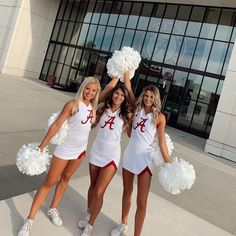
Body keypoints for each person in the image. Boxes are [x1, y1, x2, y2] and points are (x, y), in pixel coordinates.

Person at [17, 75, 120, 236]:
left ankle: (53, 208)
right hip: (64, 150)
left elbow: (107, 89)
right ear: (82, 88)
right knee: (49, 182)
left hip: (79, 151)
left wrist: (118, 76)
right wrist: (42, 146)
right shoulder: (73, 104)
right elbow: (57, 124)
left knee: (66, 178)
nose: (90, 92)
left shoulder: (93, 107)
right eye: (87, 88)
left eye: (93, 90)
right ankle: (29, 220)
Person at [110, 72, 171, 236]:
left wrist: (169, 163)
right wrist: (126, 73)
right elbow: (128, 89)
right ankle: (123, 223)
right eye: (146, 96)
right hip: (130, 155)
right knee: (126, 192)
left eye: (151, 97)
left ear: (156, 99)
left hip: (145, 160)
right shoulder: (135, 109)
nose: (148, 99)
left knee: (142, 202)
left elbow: (162, 142)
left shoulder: (160, 117)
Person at [78, 82, 132, 236]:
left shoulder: (126, 114)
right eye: (116, 93)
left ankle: (90, 225)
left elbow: (131, 135)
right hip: (96, 151)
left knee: (99, 192)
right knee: (93, 186)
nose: (118, 97)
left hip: (111, 156)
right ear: (112, 94)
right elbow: (90, 123)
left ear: (124, 98)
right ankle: (89, 212)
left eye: (122, 95)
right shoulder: (102, 109)